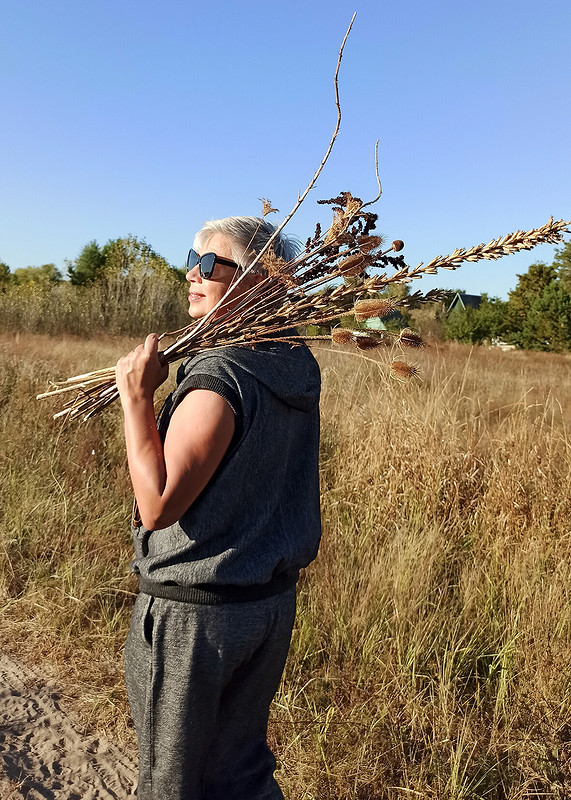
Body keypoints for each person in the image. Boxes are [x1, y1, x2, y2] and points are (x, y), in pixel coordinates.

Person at [115, 216, 321, 800]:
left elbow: (156, 504)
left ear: (260, 281)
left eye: (211, 263)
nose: (193, 274)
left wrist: (136, 400)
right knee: (240, 775)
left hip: (196, 619)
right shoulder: (295, 366)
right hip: (267, 608)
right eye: (192, 259)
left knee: (172, 784)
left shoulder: (219, 378)